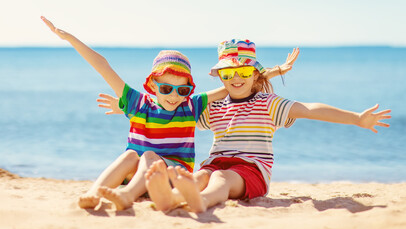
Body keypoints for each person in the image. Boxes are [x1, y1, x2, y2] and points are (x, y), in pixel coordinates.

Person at [41, 17, 297, 210]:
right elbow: (104, 67)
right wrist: (70, 39)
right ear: (152, 85)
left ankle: (127, 195)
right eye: (166, 88)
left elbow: (232, 84)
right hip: (139, 173)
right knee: (132, 154)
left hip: (172, 176)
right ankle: (96, 192)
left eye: (182, 89)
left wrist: (272, 72)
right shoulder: (137, 103)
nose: (174, 95)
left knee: (149, 155)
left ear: (189, 90)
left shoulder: (190, 106)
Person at [145, 39, 392, 213]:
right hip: (216, 162)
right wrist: (130, 105)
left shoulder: (267, 103)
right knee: (202, 174)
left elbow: (309, 109)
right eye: (228, 74)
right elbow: (177, 108)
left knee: (221, 177)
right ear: (221, 77)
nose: (236, 78)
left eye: (242, 71)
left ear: (255, 74)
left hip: (251, 170)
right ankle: (175, 197)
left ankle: (201, 201)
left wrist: (357, 118)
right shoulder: (215, 107)